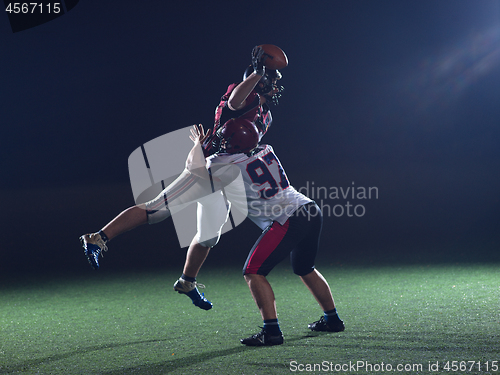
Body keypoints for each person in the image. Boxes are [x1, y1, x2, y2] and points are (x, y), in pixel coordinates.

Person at [80, 45, 285, 311]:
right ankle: (97, 238)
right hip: (206, 169)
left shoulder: (266, 113)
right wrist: (257, 74)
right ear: (259, 80)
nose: (278, 87)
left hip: (226, 176)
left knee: (210, 235)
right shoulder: (245, 96)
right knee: (157, 210)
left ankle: (187, 281)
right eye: (274, 81)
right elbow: (234, 101)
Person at [188, 120, 345, 347]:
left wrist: (197, 145)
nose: (222, 142)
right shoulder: (265, 148)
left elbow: (194, 169)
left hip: (288, 218)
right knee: (305, 268)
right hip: (309, 208)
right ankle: (333, 319)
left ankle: (271, 332)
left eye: (225, 139)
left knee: (253, 271)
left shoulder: (222, 163)